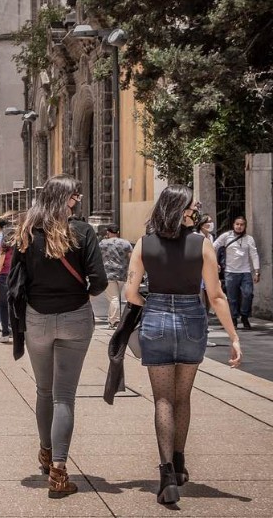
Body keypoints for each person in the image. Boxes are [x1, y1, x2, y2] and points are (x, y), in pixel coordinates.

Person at [125, 185, 241, 506]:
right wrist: (233, 337)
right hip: (192, 317)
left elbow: (130, 293)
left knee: (162, 399)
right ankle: (178, 463)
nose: (196, 210)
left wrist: (150, 306)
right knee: (182, 396)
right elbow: (216, 296)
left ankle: (165, 476)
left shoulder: (144, 244)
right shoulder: (202, 244)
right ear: (179, 209)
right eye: (192, 206)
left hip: (156, 316)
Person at [13, 175, 107, 498]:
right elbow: (100, 281)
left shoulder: (26, 232)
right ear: (66, 199)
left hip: (37, 318)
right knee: (63, 396)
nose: (78, 201)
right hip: (75, 318)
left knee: (43, 390)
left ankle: (44, 451)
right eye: (76, 196)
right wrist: (81, 292)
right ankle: (59, 471)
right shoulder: (82, 232)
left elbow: (17, 279)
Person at [214, 215, 259, 329]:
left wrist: (257, 271)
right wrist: (215, 262)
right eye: (237, 224)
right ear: (233, 225)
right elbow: (214, 246)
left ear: (245, 226)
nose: (239, 226)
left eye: (242, 224)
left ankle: (244, 316)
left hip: (245, 272)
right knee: (232, 298)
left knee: (248, 294)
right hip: (230, 272)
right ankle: (233, 318)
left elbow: (254, 255)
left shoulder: (249, 239)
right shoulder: (226, 236)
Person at [99, 224, 133, 329]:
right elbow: (131, 258)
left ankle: (114, 321)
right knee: (118, 298)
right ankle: (116, 319)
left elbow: (97, 257)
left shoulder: (102, 244)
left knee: (113, 298)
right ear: (118, 232)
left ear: (108, 232)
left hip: (108, 274)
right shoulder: (126, 243)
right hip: (122, 274)